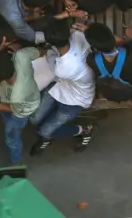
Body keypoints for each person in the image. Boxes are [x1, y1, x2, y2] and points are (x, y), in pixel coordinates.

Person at [29, 20, 97, 156]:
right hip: (61, 86)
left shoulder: (62, 68)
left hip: (75, 99)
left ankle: (84, 129)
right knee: (34, 119)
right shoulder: (78, 36)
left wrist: (45, 51)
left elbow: (49, 56)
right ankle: (49, 126)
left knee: (44, 131)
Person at [0, 0, 87, 45]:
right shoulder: (14, 19)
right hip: (2, 2)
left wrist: (65, 0)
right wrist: (62, 36)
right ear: (37, 9)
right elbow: (33, 37)